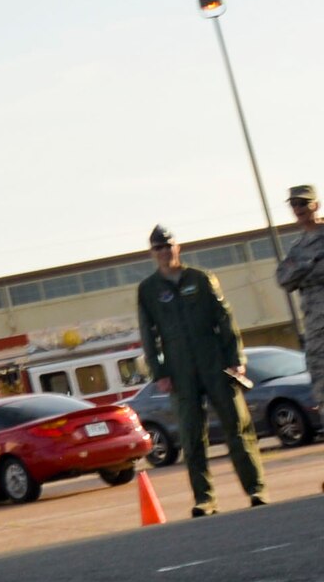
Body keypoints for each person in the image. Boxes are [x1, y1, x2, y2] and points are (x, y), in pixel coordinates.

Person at [136, 224, 268, 514]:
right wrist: (160, 374)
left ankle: (255, 489)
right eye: (158, 248)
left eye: (168, 245)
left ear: (177, 247)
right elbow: (149, 334)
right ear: (152, 253)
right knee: (191, 435)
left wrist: (235, 357)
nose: (164, 252)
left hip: (215, 363)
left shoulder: (201, 278)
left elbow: (225, 319)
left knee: (237, 427)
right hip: (180, 370)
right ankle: (204, 499)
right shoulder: (148, 290)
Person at [273, 184, 324, 493]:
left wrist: (303, 272)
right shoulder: (296, 248)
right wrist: (311, 265)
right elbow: (283, 277)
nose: (300, 208)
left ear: (316, 204)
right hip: (317, 337)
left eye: (304, 203)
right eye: (294, 204)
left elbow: (295, 276)